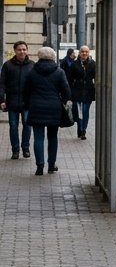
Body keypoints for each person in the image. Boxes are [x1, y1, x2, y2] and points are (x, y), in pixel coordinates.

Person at [21, 47, 72, 176]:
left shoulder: (32, 72)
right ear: (53, 57)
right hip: (54, 107)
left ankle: (39, 166)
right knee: (52, 137)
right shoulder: (59, 72)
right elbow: (66, 91)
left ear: (39, 56)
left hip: (36, 107)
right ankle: (51, 165)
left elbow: (26, 91)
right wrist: (66, 101)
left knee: (38, 137)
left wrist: (27, 105)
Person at [1, 41, 34, 160]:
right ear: (15, 51)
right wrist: (2, 100)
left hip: (27, 102)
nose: (22, 52)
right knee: (13, 126)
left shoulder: (32, 65)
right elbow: (2, 84)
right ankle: (15, 150)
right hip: (12, 101)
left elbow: (35, 83)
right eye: (19, 49)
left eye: (24, 49)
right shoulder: (8, 65)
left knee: (27, 125)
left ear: (27, 50)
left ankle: (26, 149)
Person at [65, 46, 97, 140]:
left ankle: (83, 129)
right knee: (79, 112)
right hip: (77, 91)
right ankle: (80, 128)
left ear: (89, 52)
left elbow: (96, 77)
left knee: (85, 111)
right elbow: (69, 79)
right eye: (82, 51)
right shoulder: (74, 64)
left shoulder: (93, 64)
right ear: (79, 53)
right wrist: (69, 92)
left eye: (86, 51)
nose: (84, 53)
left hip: (88, 91)